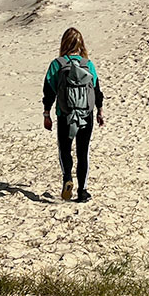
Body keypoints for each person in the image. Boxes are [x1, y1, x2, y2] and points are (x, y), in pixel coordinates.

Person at [43, 27, 104, 202]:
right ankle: (82, 191)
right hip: (86, 115)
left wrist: (46, 113)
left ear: (64, 43)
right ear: (81, 44)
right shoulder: (87, 64)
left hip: (65, 114)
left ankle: (67, 179)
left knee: (65, 149)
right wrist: (100, 111)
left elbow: (49, 91)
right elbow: (96, 90)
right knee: (83, 152)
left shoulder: (57, 64)